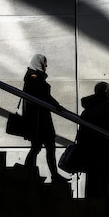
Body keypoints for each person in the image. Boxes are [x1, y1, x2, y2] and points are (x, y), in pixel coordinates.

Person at [76, 81, 109, 214]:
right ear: (106, 92)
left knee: (91, 184)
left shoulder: (87, 110)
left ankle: (91, 212)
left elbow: (82, 134)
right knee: (105, 184)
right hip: (105, 153)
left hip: (90, 154)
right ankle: (106, 212)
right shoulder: (107, 107)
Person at [22, 54, 64, 184]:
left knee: (39, 147)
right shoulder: (34, 77)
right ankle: (51, 174)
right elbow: (43, 96)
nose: (46, 65)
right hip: (39, 120)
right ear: (40, 63)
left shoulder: (33, 76)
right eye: (45, 62)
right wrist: (57, 106)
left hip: (40, 118)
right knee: (44, 146)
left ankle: (29, 170)